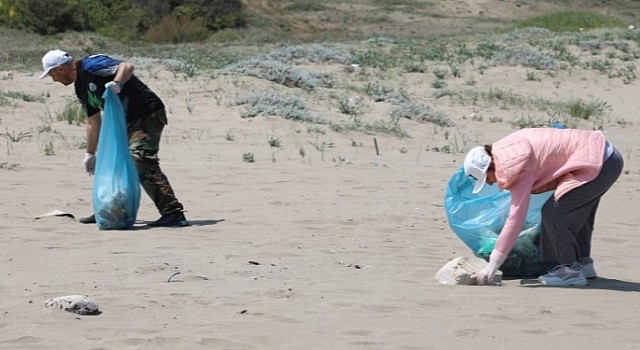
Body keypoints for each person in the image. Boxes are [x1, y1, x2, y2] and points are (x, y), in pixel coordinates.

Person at [40, 49, 188, 227]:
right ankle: (109, 210)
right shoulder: (80, 88)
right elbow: (93, 122)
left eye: (51, 75)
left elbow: (127, 66)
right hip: (122, 123)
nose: (54, 80)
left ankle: (173, 213)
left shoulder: (91, 66)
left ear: (59, 69)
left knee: (140, 158)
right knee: (112, 162)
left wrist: (116, 83)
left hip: (146, 114)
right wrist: (90, 154)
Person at [463, 127, 623, 286]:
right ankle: (583, 264)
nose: (490, 182)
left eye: (486, 178)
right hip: (605, 156)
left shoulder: (516, 166)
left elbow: (516, 218)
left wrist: (494, 263)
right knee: (578, 214)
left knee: (554, 214)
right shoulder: (507, 150)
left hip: (600, 162)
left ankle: (570, 271)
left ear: (491, 165)